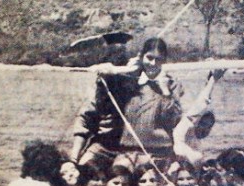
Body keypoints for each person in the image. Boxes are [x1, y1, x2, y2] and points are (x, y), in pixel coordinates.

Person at [70, 38, 224, 166]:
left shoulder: (172, 85)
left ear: (164, 61)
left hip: (157, 152)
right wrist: (112, 74)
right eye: (149, 58)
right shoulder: (127, 80)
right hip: (123, 150)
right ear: (141, 57)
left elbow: (180, 120)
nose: (153, 63)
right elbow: (87, 116)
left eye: (159, 59)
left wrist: (165, 91)